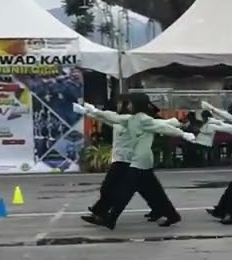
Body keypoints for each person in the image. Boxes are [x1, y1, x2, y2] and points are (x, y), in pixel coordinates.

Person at [75, 94, 194, 230]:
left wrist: (182, 134)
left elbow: (162, 126)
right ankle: (171, 215)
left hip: (139, 160)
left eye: (130, 103)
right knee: (152, 191)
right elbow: (113, 118)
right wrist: (91, 112)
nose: (128, 105)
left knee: (126, 191)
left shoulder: (142, 119)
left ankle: (110, 218)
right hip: (137, 160)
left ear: (137, 104)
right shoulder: (132, 119)